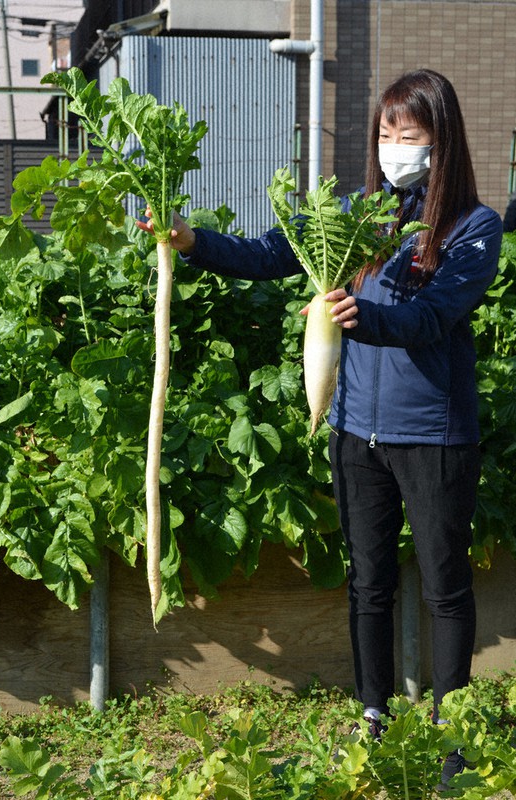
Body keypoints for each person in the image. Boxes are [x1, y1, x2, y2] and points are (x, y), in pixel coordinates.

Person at [137, 69, 502, 789]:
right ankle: (372, 715)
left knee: (444, 586)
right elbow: (271, 253)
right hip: (354, 428)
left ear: (442, 140)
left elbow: (433, 317)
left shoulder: (472, 227)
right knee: (368, 582)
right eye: (386, 133)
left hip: (433, 433)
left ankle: (452, 733)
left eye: (410, 134)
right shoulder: (356, 212)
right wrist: (191, 239)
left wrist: (359, 318)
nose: (394, 147)